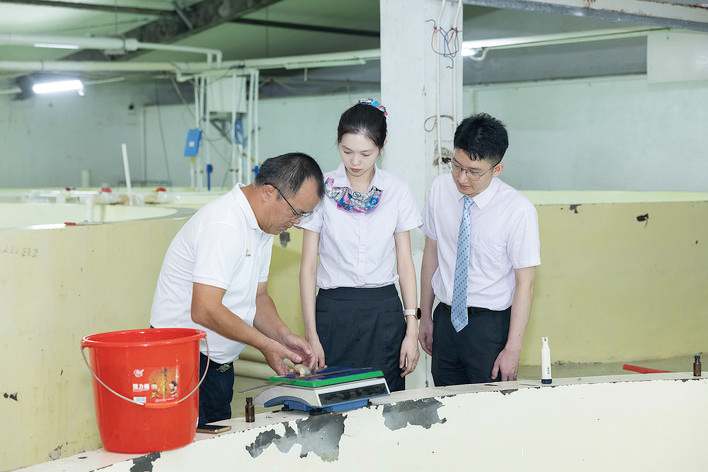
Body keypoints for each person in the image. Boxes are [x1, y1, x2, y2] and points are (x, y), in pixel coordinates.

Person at [150, 152, 324, 426]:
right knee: (182, 446)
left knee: (215, 442)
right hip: (180, 361)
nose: (297, 222)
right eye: (296, 212)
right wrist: (265, 344)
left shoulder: (262, 227)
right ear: (269, 192)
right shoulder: (225, 223)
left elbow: (258, 297)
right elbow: (204, 309)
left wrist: (283, 337)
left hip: (217, 362)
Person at [298, 99, 421, 392]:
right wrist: (311, 334)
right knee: (334, 402)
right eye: (347, 151)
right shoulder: (322, 188)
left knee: (385, 402)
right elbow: (308, 268)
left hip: (383, 312)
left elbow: (405, 263)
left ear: (381, 147)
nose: (355, 162)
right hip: (333, 312)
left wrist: (412, 331)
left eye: (365, 153)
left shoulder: (396, 191)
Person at [418, 113, 540, 386]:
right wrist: (424, 316)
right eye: (456, 166)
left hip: (489, 327)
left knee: (490, 407)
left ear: (497, 169)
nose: (462, 178)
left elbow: (526, 284)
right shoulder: (439, 190)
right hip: (445, 320)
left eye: (474, 172)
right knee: (444, 404)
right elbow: (431, 254)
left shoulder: (518, 211)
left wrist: (513, 348)